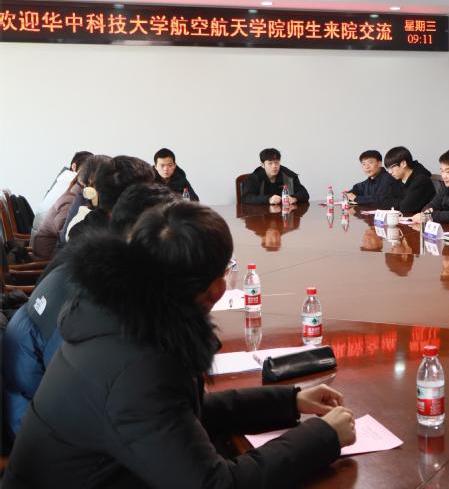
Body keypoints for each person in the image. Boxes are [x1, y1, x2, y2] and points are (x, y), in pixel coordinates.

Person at [5, 201, 355, 488]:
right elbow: (215, 484)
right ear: (216, 289)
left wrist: (290, 401)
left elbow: (177, 415)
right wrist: (323, 437)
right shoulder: (138, 366)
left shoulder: (117, 315)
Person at [3, 184, 179, 440]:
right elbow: (100, 392)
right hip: (42, 433)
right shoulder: (93, 293)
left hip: (34, 410)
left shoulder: (87, 262)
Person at [242, 148, 310, 205]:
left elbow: (304, 193)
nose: (274, 166)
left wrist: (294, 198)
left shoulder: (288, 175)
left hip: (285, 213)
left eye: (276, 162)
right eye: (270, 163)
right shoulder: (254, 177)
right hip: (261, 214)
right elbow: (246, 198)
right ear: (262, 165)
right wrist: (268, 199)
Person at [380, 146, 436, 214]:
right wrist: (402, 202)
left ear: (403, 164)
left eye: (391, 167)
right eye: (388, 169)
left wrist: (397, 202)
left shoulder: (421, 180)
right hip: (405, 217)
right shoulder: (396, 178)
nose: (390, 172)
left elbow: (405, 207)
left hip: (423, 219)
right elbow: (383, 201)